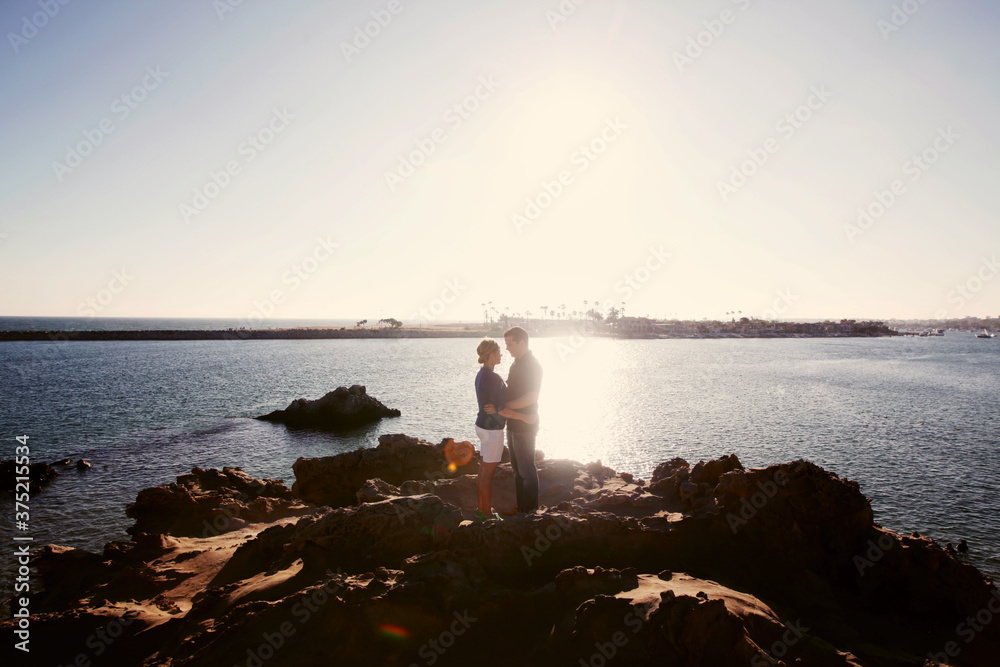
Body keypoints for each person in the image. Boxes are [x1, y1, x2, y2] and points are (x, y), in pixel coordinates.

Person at [474, 338, 535, 520]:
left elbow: (495, 404)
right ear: (491, 354)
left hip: (482, 426)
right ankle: (486, 513)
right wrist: (526, 417)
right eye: (499, 351)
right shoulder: (493, 377)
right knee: (488, 474)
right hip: (492, 431)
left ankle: (481, 509)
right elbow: (501, 409)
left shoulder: (482, 374)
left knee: (483, 471)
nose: (502, 354)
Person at [488, 326, 542, 514]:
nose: (507, 348)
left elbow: (531, 397)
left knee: (527, 469)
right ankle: (521, 509)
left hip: (525, 423)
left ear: (522, 342)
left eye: (510, 344)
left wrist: (504, 407)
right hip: (512, 421)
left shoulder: (532, 365)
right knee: (517, 470)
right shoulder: (517, 363)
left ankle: (531, 512)